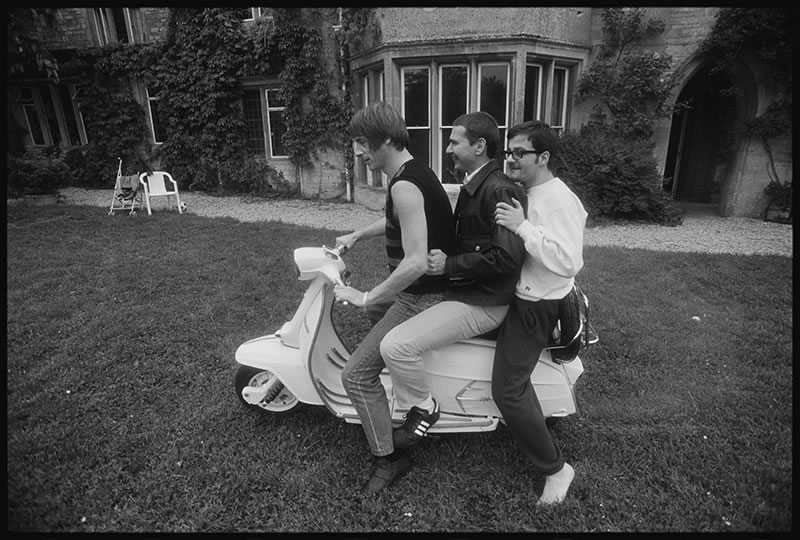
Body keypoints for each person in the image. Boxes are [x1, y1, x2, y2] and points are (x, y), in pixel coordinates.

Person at [380, 111, 526, 449]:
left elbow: (507, 259)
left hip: (485, 302)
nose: (447, 149)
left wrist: (449, 265)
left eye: (453, 142)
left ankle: (422, 406)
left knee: (394, 345)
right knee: (389, 314)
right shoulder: (476, 184)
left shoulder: (497, 190)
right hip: (469, 291)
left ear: (478, 146)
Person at [333, 102, 456, 495]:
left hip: (421, 298)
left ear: (385, 139)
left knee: (354, 374)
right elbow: (397, 220)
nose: (356, 152)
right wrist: (356, 235)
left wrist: (367, 295)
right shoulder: (410, 173)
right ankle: (397, 396)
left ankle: (389, 459)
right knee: (377, 328)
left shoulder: (404, 184)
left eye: (360, 142)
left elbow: (417, 261)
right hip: (418, 295)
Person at [492, 120, 587, 505]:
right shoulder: (531, 190)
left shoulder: (558, 198)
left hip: (538, 305)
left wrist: (524, 228)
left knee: (508, 389)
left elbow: (569, 261)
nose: (511, 159)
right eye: (509, 152)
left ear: (543, 157)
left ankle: (556, 469)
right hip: (522, 295)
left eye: (520, 153)